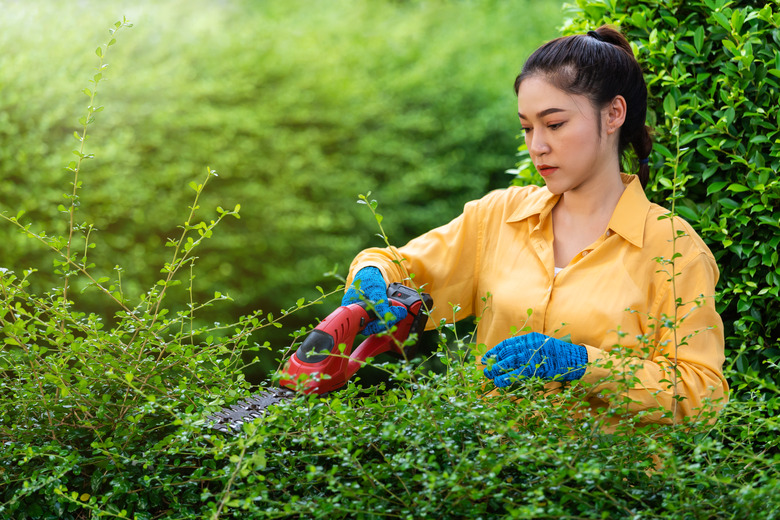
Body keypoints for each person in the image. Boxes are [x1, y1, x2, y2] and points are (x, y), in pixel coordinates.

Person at [341, 25, 728, 426]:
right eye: (527, 127)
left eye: (554, 124)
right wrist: (372, 274)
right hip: (486, 478)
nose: (537, 145)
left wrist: (582, 365)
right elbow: (402, 268)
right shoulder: (498, 216)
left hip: (613, 486)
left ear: (614, 114)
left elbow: (701, 395)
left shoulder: (673, 249)